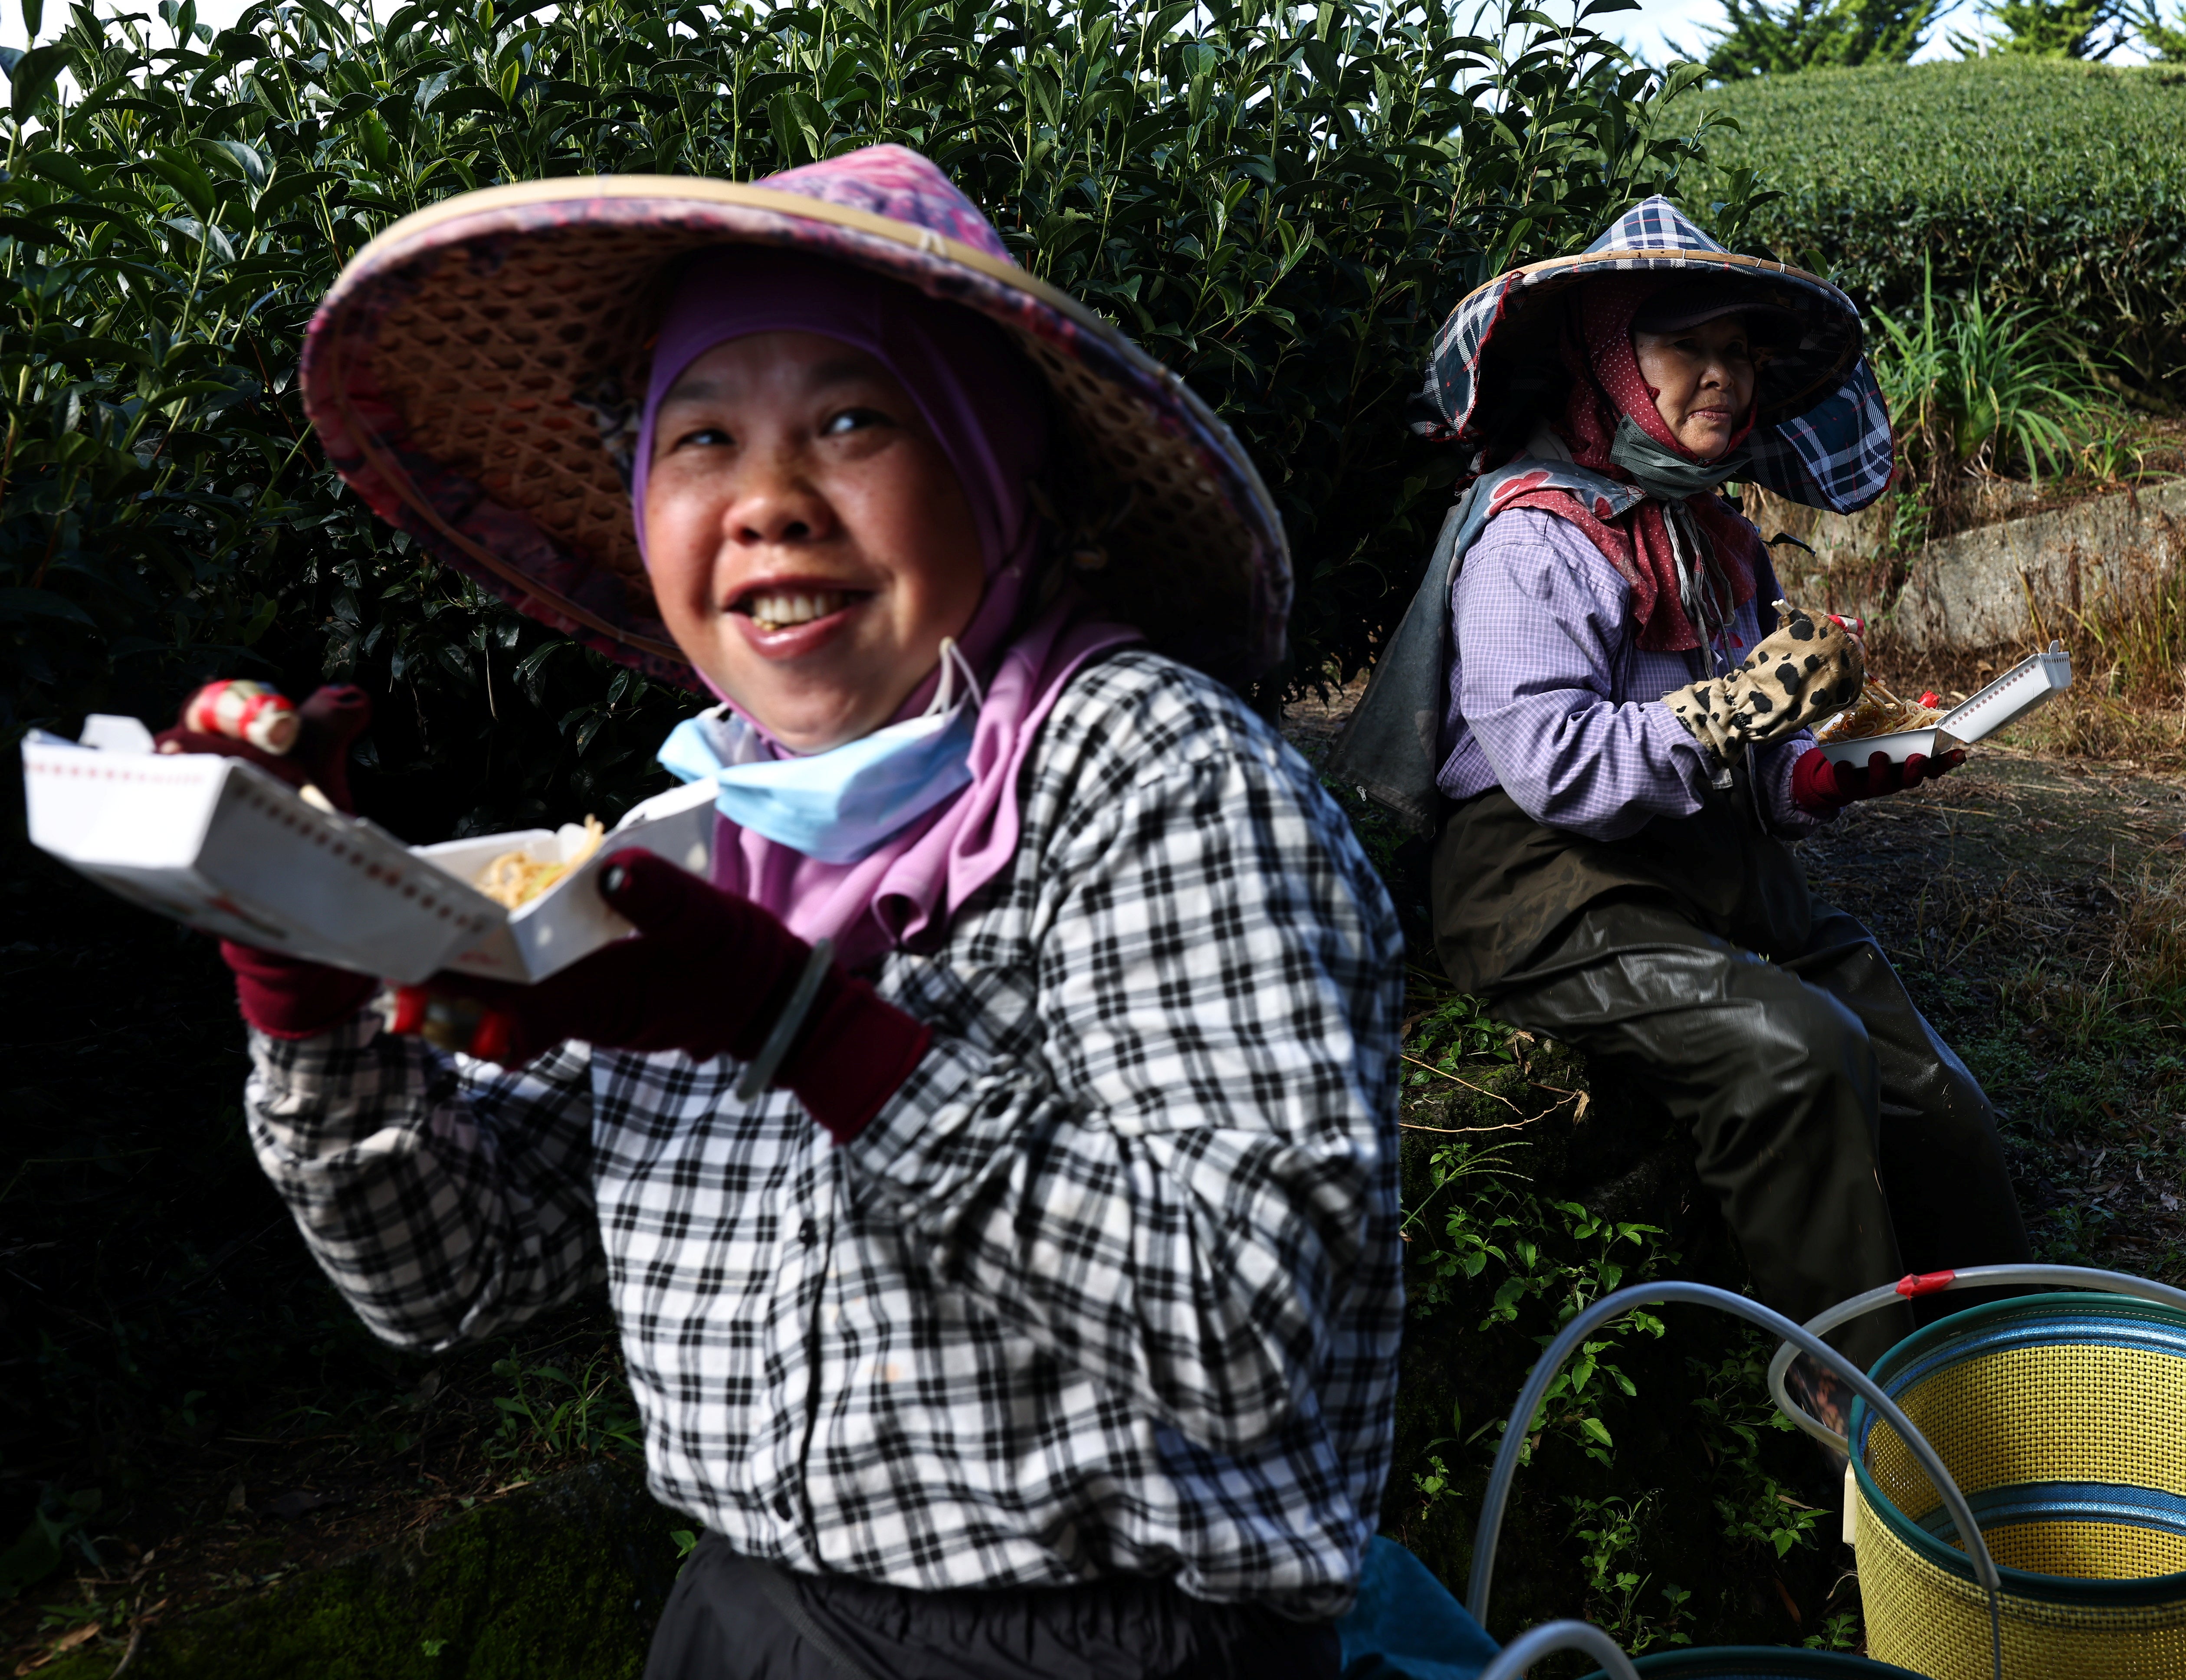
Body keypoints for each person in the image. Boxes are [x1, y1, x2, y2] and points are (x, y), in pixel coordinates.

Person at [223, 144, 1403, 1679]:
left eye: (853, 421)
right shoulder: (695, 836)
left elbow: (1248, 1329)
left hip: (1110, 1649)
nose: (768, 502)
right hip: (752, 1624)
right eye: (700, 439)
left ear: (994, 471)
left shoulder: (1150, 772)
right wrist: (313, 987)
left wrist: (803, 1028)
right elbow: (447, 1276)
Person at [1333, 197, 2030, 1393]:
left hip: (1705, 869)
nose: (1723, 378)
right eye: (1687, 349)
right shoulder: (1531, 539)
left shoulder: (1717, 541)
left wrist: (1837, 769)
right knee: (1795, 1054)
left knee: (1933, 1091)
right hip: (1546, 891)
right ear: (1611, 360)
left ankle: (2006, 1369)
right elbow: (1554, 765)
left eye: (1741, 352)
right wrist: (1731, 707)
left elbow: (1753, 773)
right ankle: (1859, 1417)